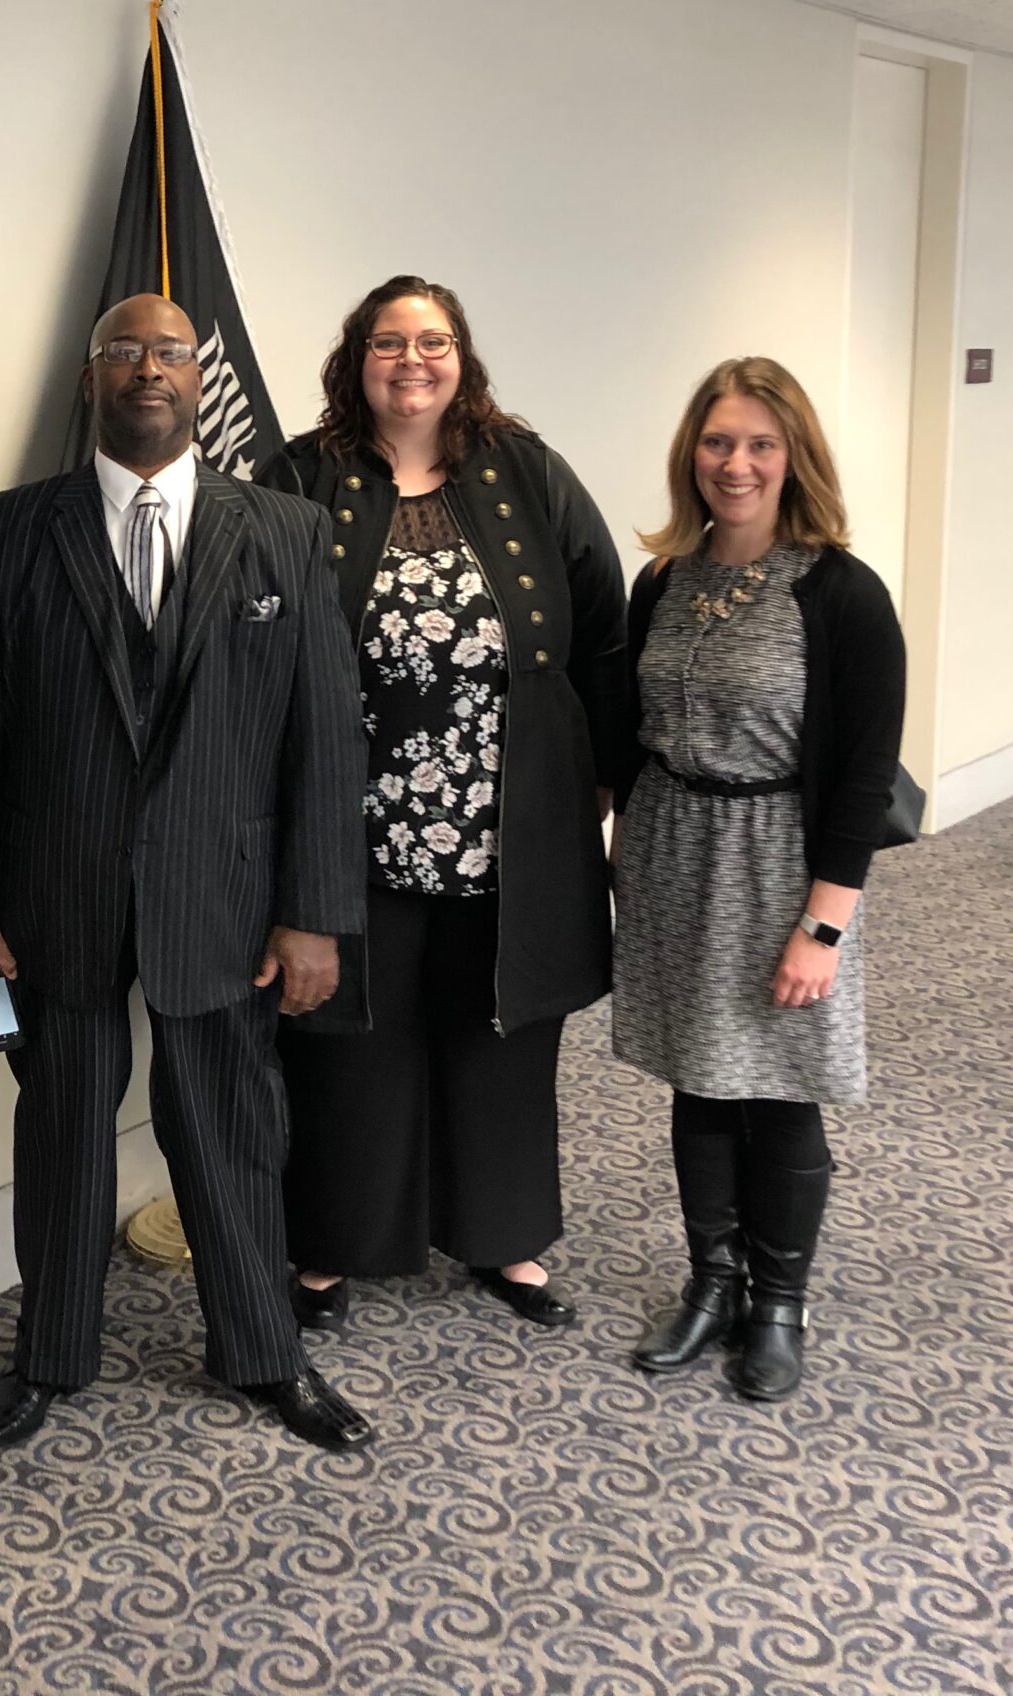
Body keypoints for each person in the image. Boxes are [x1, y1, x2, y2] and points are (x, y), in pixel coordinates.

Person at [0, 292, 373, 1454]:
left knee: (228, 1124)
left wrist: (314, 915)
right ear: (90, 378)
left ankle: (265, 1353)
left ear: (196, 378)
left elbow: (324, 739)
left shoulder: (282, 530)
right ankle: (51, 1355)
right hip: (46, 904)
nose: (147, 369)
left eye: (170, 352)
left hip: (223, 899)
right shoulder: (5, 531)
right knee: (61, 1129)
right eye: (123, 351)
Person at [257, 275, 630, 1337]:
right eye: (388, 342)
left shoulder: (525, 469)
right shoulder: (299, 474)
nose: (410, 360)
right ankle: (332, 1246)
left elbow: (600, 629)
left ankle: (499, 1235)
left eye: (431, 341)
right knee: (347, 1052)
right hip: (350, 831)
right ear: (354, 359)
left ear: (460, 356)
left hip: (506, 829)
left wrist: (600, 780)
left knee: (497, 1040)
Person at [612, 356, 905, 1401]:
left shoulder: (840, 593)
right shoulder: (666, 580)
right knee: (699, 1077)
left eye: (759, 445)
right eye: (717, 442)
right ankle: (711, 1284)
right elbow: (623, 730)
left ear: (793, 459)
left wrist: (821, 928)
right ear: (691, 453)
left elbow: (865, 773)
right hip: (669, 852)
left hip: (779, 863)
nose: (734, 464)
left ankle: (779, 1304)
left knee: (777, 1090)